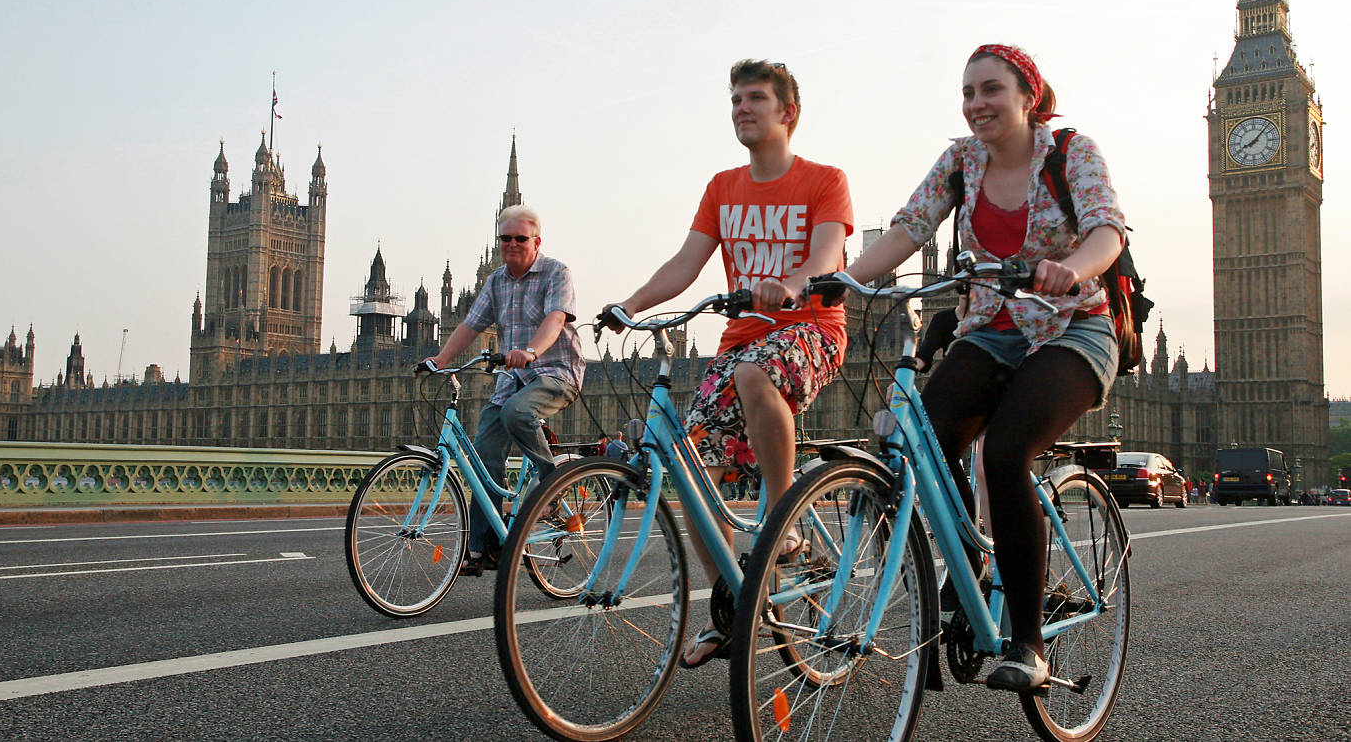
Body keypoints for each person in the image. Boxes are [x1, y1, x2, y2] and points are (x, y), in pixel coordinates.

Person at [844, 44, 1125, 692]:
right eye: (968, 92)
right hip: (990, 329)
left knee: (1003, 453)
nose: (977, 104)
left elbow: (1108, 232)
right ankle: (967, 572)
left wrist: (1071, 268)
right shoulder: (960, 162)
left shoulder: (1071, 153)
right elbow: (908, 230)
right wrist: (834, 279)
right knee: (928, 440)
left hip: (1071, 326)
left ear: (1028, 95)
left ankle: (1027, 642)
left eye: (991, 89)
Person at [605, 59, 854, 668]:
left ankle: (781, 511)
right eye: (736, 99)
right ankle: (734, 605)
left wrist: (792, 284)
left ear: (787, 112)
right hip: (741, 340)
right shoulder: (722, 187)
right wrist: (629, 304)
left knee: (755, 374)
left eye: (755, 99)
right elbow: (685, 264)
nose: (742, 108)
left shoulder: (825, 179)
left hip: (810, 330)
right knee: (687, 467)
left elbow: (827, 254)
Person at [424, 205, 585, 576]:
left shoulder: (556, 272)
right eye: (505, 238)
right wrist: (441, 358)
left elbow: (555, 319)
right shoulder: (495, 281)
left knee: (518, 413)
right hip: (511, 381)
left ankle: (553, 484)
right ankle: (484, 549)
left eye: (520, 238)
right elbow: (470, 324)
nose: (512, 244)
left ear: (536, 241)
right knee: (483, 455)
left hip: (555, 372)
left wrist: (531, 351)